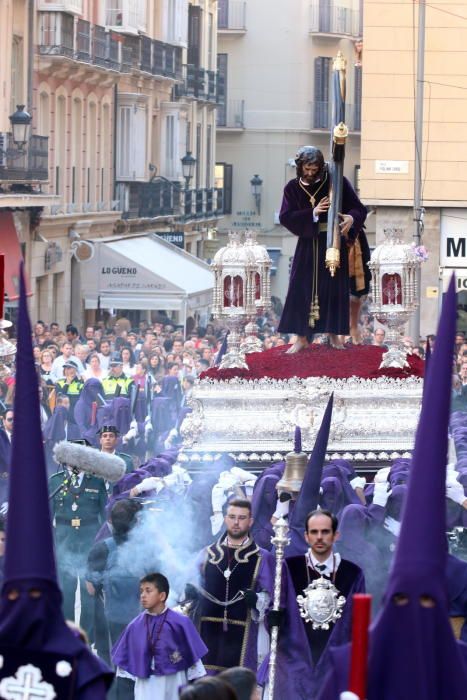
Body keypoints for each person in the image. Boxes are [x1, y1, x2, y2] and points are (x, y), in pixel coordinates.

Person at [277, 146, 367, 351]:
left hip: (333, 242)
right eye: (306, 168)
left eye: (314, 168)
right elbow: (285, 216)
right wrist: (312, 213)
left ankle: (334, 334)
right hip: (308, 245)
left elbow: (359, 208)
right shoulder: (292, 188)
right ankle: (301, 337)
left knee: (334, 289)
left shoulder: (337, 183)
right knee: (300, 288)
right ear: (300, 167)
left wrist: (351, 219)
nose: (310, 172)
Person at [187, 498, 275, 674]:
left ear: (250, 522)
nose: (236, 522)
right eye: (232, 517)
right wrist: (190, 591)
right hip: (206, 631)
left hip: (243, 635)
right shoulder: (207, 553)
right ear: (225, 519)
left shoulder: (262, 557)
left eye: (242, 518)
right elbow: (188, 584)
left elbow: (273, 595)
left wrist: (257, 599)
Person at [286, 509, 365, 688]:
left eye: (325, 531)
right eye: (314, 532)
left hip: (334, 666)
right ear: (306, 536)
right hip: (295, 665)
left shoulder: (353, 573)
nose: (319, 537)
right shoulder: (289, 568)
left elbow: (357, 625)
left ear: (336, 535)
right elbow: (277, 613)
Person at [112, 572, 208, 700]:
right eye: (141, 591)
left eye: (148, 591)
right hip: (146, 687)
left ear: (162, 595)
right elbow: (125, 673)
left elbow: (195, 668)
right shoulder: (135, 626)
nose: (143, 596)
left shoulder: (181, 623)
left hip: (175, 685)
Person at [48, 444, 108, 639]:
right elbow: (47, 517)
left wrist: (102, 546)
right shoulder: (56, 481)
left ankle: (86, 637)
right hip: (64, 541)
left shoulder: (97, 482)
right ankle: (66, 633)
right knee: (65, 590)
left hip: (89, 540)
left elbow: (105, 515)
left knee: (88, 590)